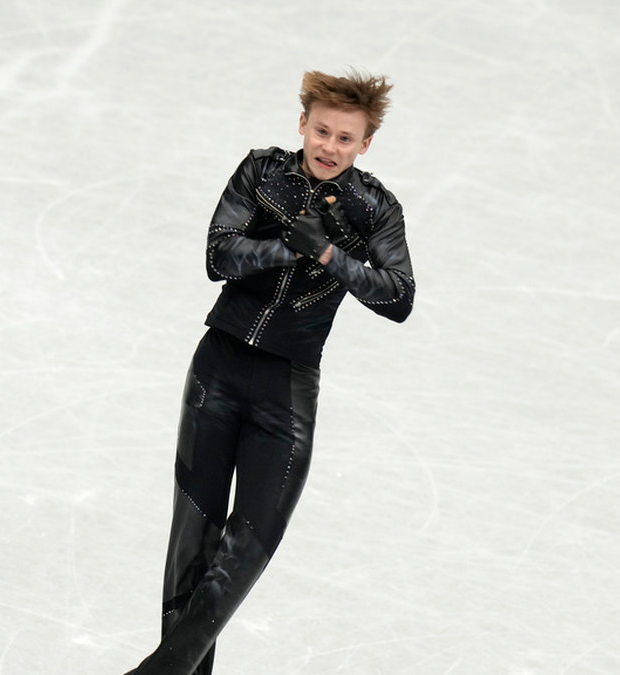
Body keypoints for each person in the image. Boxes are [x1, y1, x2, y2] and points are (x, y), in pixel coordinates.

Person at [125, 69, 415, 675]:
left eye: (345, 138)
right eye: (322, 130)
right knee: (193, 542)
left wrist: (329, 253)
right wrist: (289, 245)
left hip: (286, 389)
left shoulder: (375, 208)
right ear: (302, 124)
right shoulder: (261, 173)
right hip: (218, 371)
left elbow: (398, 297)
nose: (329, 147)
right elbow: (219, 254)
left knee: (250, 546)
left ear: (365, 144)